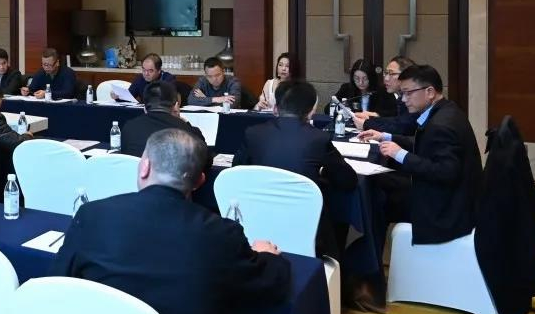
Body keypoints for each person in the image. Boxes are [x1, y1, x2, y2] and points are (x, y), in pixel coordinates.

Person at [50, 129, 290, 314]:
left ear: (144, 168)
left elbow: (58, 281)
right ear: (199, 182)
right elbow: (271, 287)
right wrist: (267, 256)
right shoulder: (222, 233)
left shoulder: (92, 215)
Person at [358, 65, 482, 244]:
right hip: (447, 194)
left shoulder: (441, 124)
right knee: (379, 181)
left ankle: (371, 257)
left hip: (446, 208)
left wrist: (400, 154)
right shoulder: (446, 109)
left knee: (378, 198)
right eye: (402, 94)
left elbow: (445, 171)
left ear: (429, 92)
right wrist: (385, 136)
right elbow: (427, 143)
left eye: (408, 93)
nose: (404, 99)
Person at [234, 80, 357, 257]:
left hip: (257, 227)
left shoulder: (253, 133)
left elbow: (237, 170)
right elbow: (348, 180)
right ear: (311, 111)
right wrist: (322, 171)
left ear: (275, 108)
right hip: (306, 232)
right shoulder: (318, 138)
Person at [120, 80, 207, 161]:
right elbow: (205, 161)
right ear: (175, 106)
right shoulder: (187, 130)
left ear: (145, 108)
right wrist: (185, 123)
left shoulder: (129, 127)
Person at [354, 55, 416, 132]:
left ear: (407, 75)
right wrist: (370, 118)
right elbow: (397, 121)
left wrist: (366, 124)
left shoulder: (414, 98)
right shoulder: (401, 97)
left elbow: (404, 127)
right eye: (386, 73)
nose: (386, 78)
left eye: (391, 73)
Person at [328, 59, 396, 117]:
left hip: (375, 127)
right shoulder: (346, 88)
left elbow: (394, 114)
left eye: (365, 78)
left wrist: (376, 115)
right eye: (357, 78)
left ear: (371, 77)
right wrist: (342, 111)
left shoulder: (384, 91)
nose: (361, 82)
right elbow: (328, 109)